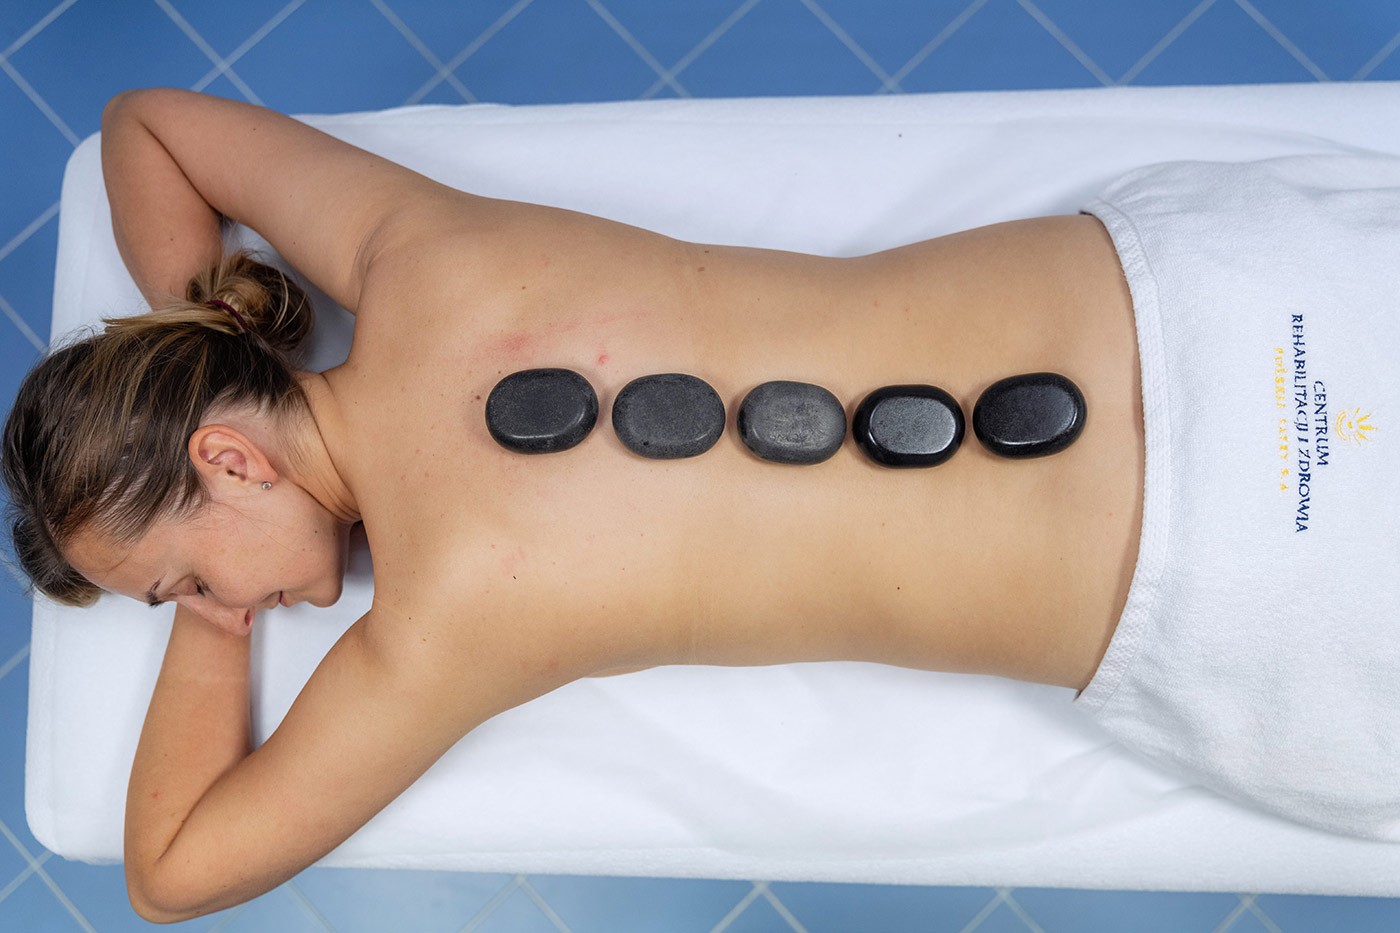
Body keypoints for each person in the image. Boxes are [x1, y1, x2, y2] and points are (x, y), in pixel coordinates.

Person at [2, 87, 1144, 922]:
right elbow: (145, 124)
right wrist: (199, 332)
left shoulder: (440, 633)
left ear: (230, 458)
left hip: (1176, 564)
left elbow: (170, 873)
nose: (229, 605)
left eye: (186, 581)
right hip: (1150, 291)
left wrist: (211, 624)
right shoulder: (414, 251)